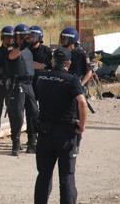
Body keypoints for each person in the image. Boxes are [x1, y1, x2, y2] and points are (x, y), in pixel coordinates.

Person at [34, 47, 89, 204]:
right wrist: (82, 126)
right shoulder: (72, 80)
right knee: (66, 176)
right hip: (65, 133)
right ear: (68, 63)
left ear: (53, 61)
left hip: (44, 132)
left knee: (43, 175)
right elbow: (82, 103)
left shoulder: (42, 77)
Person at [7, 24, 39, 156]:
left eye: (26, 36)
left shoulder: (28, 50)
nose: (24, 39)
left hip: (29, 84)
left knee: (34, 112)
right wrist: (21, 46)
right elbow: (12, 56)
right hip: (18, 84)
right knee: (18, 115)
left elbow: (29, 64)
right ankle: (16, 142)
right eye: (21, 36)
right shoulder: (13, 49)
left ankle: (32, 142)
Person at [29, 26, 52, 91]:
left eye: (34, 36)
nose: (31, 38)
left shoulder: (47, 50)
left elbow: (51, 66)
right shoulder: (25, 50)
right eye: (30, 36)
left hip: (42, 82)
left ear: (40, 37)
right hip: (29, 82)